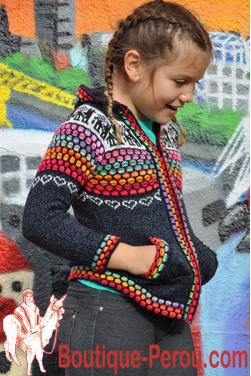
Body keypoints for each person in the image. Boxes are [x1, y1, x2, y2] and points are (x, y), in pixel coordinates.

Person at [22, 1, 218, 374]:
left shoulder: (166, 134)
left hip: (169, 314)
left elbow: (165, 218)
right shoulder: (87, 128)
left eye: (195, 83)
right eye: (180, 81)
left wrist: (197, 259)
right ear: (134, 66)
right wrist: (130, 257)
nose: (189, 95)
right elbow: (39, 218)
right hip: (106, 313)